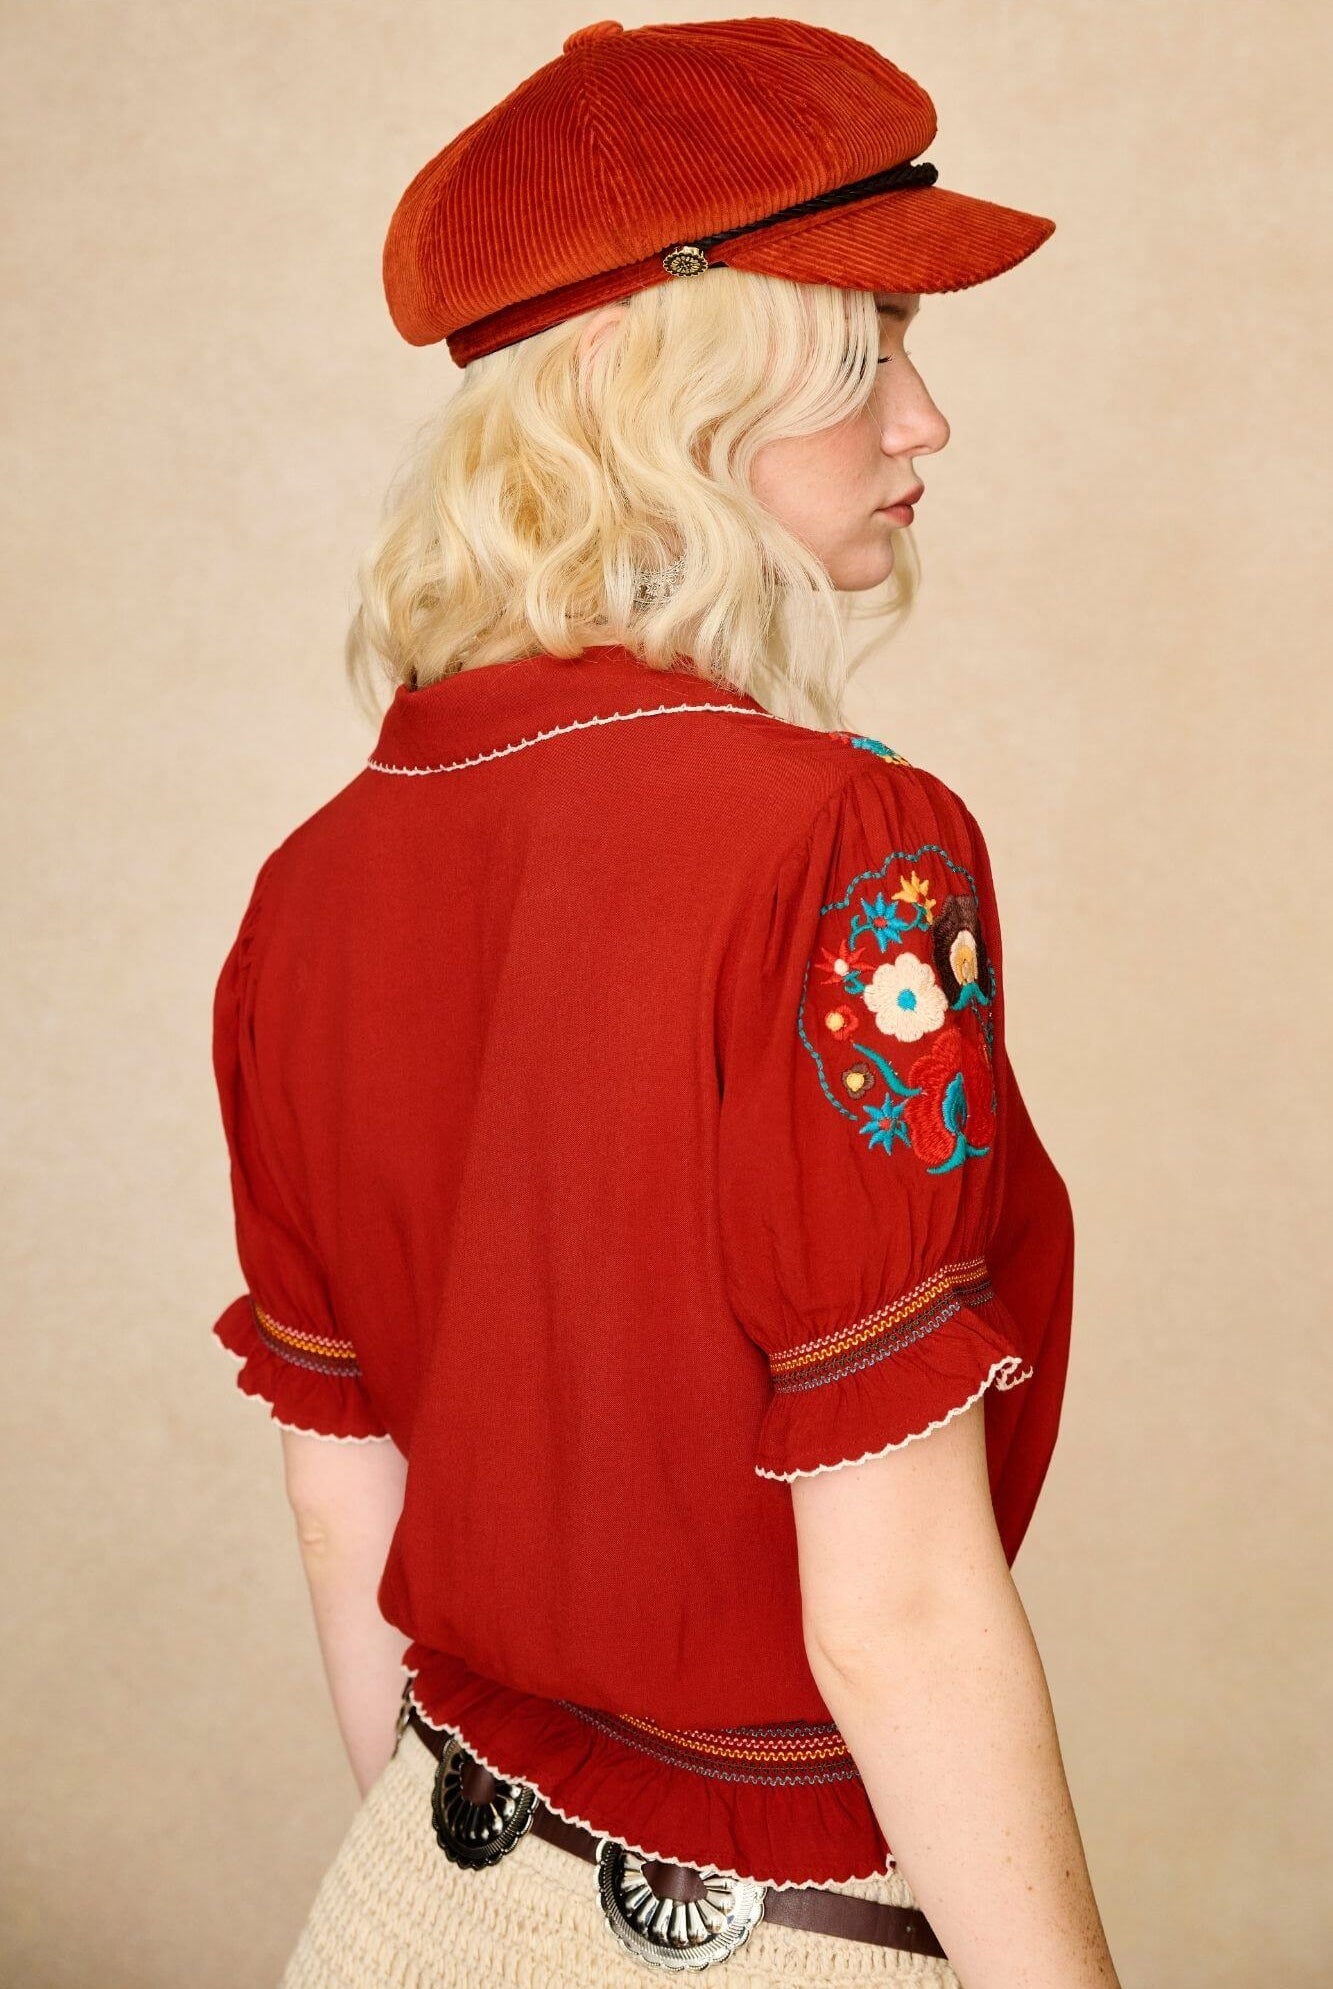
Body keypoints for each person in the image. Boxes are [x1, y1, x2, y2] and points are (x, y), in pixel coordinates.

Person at [208, 17, 1122, 1988]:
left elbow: (336, 1488)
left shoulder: (312, 884)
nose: (922, 423)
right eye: (869, 349)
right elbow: (894, 1606)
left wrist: (485, 1893)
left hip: (393, 1902)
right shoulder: (849, 846)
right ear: (673, 390)